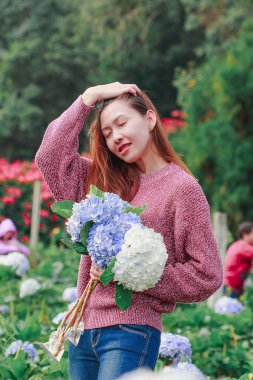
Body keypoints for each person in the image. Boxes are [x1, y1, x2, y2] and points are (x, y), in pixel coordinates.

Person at [35, 82, 223, 380]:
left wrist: (129, 271)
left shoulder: (183, 189)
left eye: (122, 123)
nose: (116, 137)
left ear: (150, 119)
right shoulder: (100, 180)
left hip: (131, 332)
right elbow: (50, 158)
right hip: (82, 333)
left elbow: (206, 274)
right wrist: (89, 98)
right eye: (107, 134)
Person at [224, 221, 253, 298]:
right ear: (245, 235)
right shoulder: (245, 247)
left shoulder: (236, 245)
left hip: (227, 285)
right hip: (232, 288)